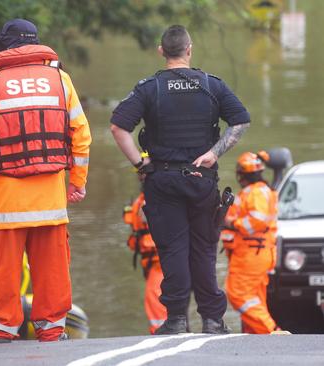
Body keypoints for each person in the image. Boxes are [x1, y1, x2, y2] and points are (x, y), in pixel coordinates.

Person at [110, 24, 251, 334]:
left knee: (172, 250)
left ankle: (175, 320)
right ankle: (213, 321)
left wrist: (141, 164)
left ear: (162, 52)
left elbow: (119, 128)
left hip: (162, 180)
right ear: (190, 50)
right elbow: (240, 121)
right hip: (202, 181)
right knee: (203, 250)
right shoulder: (212, 85)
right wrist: (214, 153)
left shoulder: (149, 88)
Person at [0, 19, 91, 343]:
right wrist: (77, 180)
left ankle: (3, 331)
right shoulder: (60, 80)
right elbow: (81, 135)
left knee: (2, 271)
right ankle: (52, 329)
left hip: (5, 201)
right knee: (53, 271)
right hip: (50, 200)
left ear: (7, 46)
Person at [222, 151, 278, 334]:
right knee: (255, 299)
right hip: (254, 253)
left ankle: (272, 332)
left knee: (239, 293)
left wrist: (233, 223)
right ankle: (257, 339)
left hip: (252, 254)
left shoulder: (256, 193)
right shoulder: (256, 192)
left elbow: (257, 220)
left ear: (241, 174)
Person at [122, 169, 167, 334]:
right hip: (155, 261)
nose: (141, 177)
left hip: (160, 262)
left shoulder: (153, 199)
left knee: (155, 298)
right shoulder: (145, 199)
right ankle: (168, 331)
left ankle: (162, 333)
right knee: (167, 299)